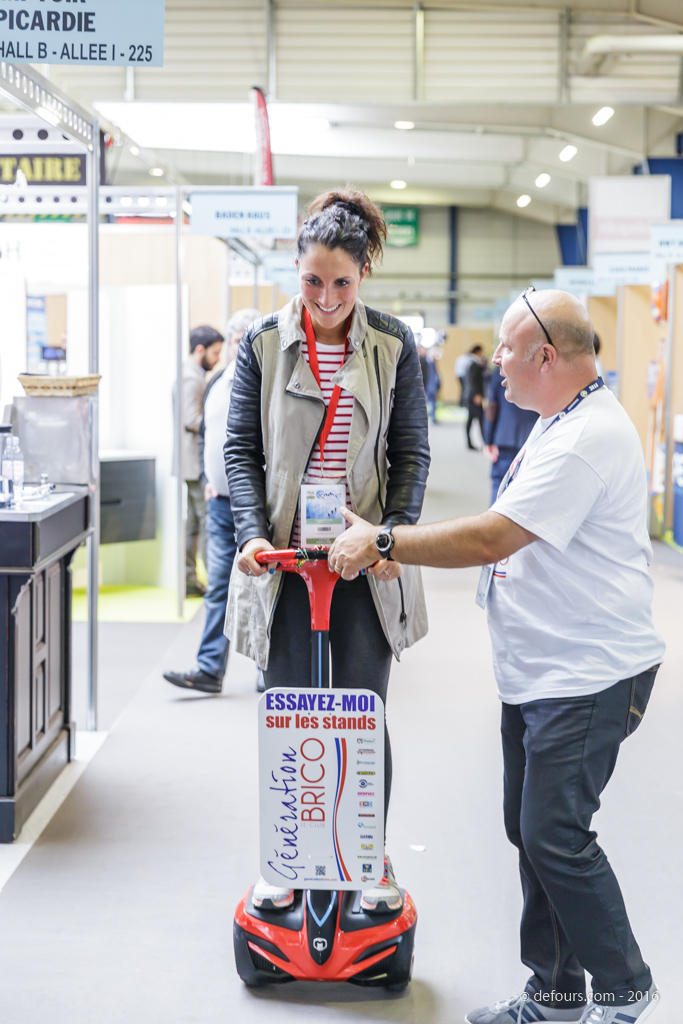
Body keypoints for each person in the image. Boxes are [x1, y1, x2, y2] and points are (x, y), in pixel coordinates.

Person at [328, 287, 665, 1024]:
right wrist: (398, 551)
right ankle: (553, 994)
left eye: (507, 349)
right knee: (531, 831)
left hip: (587, 675)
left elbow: (491, 535)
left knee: (554, 834)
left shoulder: (585, 437)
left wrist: (383, 539)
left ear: (546, 354)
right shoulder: (557, 420)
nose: (495, 362)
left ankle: (623, 988)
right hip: (544, 670)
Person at [224, 186, 430, 914]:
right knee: (286, 712)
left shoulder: (394, 344)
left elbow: (410, 453)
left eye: (342, 281)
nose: (326, 296)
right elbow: (240, 450)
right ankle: (288, 855)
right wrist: (251, 531)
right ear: (295, 265)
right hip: (284, 566)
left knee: (357, 713)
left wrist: (392, 534)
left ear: (364, 272)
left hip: (362, 562)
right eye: (312, 280)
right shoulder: (260, 343)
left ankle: (365, 856)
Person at [163, 309, 261, 695]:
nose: (246, 347)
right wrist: (206, 477)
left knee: (264, 588)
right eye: (240, 340)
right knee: (218, 585)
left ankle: (269, 673)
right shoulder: (218, 379)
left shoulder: (270, 380)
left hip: (257, 507)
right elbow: (207, 432)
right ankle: (209, 669)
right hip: (220, 504)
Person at [174, 325, 224, 597]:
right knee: (205, 525)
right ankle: (210, 580)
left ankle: (191, 578)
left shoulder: (191, 375)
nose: (217, 359)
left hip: (190, 463)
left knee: (194, 525)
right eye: (215, 353)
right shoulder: (191, 378)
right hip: (195, 464)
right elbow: (191, 419)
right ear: (200, 349)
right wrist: (220, 420)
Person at [483, 364, 538, 506]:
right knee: (529, 491)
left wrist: (488, 439)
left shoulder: (501, 368)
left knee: (499, 485)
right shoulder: (542, 365)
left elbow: (492, 405)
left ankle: (493, 527)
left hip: (505, 435)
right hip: (534, 436)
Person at [464, 344, 487, 450]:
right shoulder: (473, 364)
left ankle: (471, 442)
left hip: (472, 395)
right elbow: (473, 381)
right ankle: (485, 441)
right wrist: (477, 394)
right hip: (474, 396)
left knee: (472, 419)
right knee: (479, 419)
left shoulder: (474, 363)